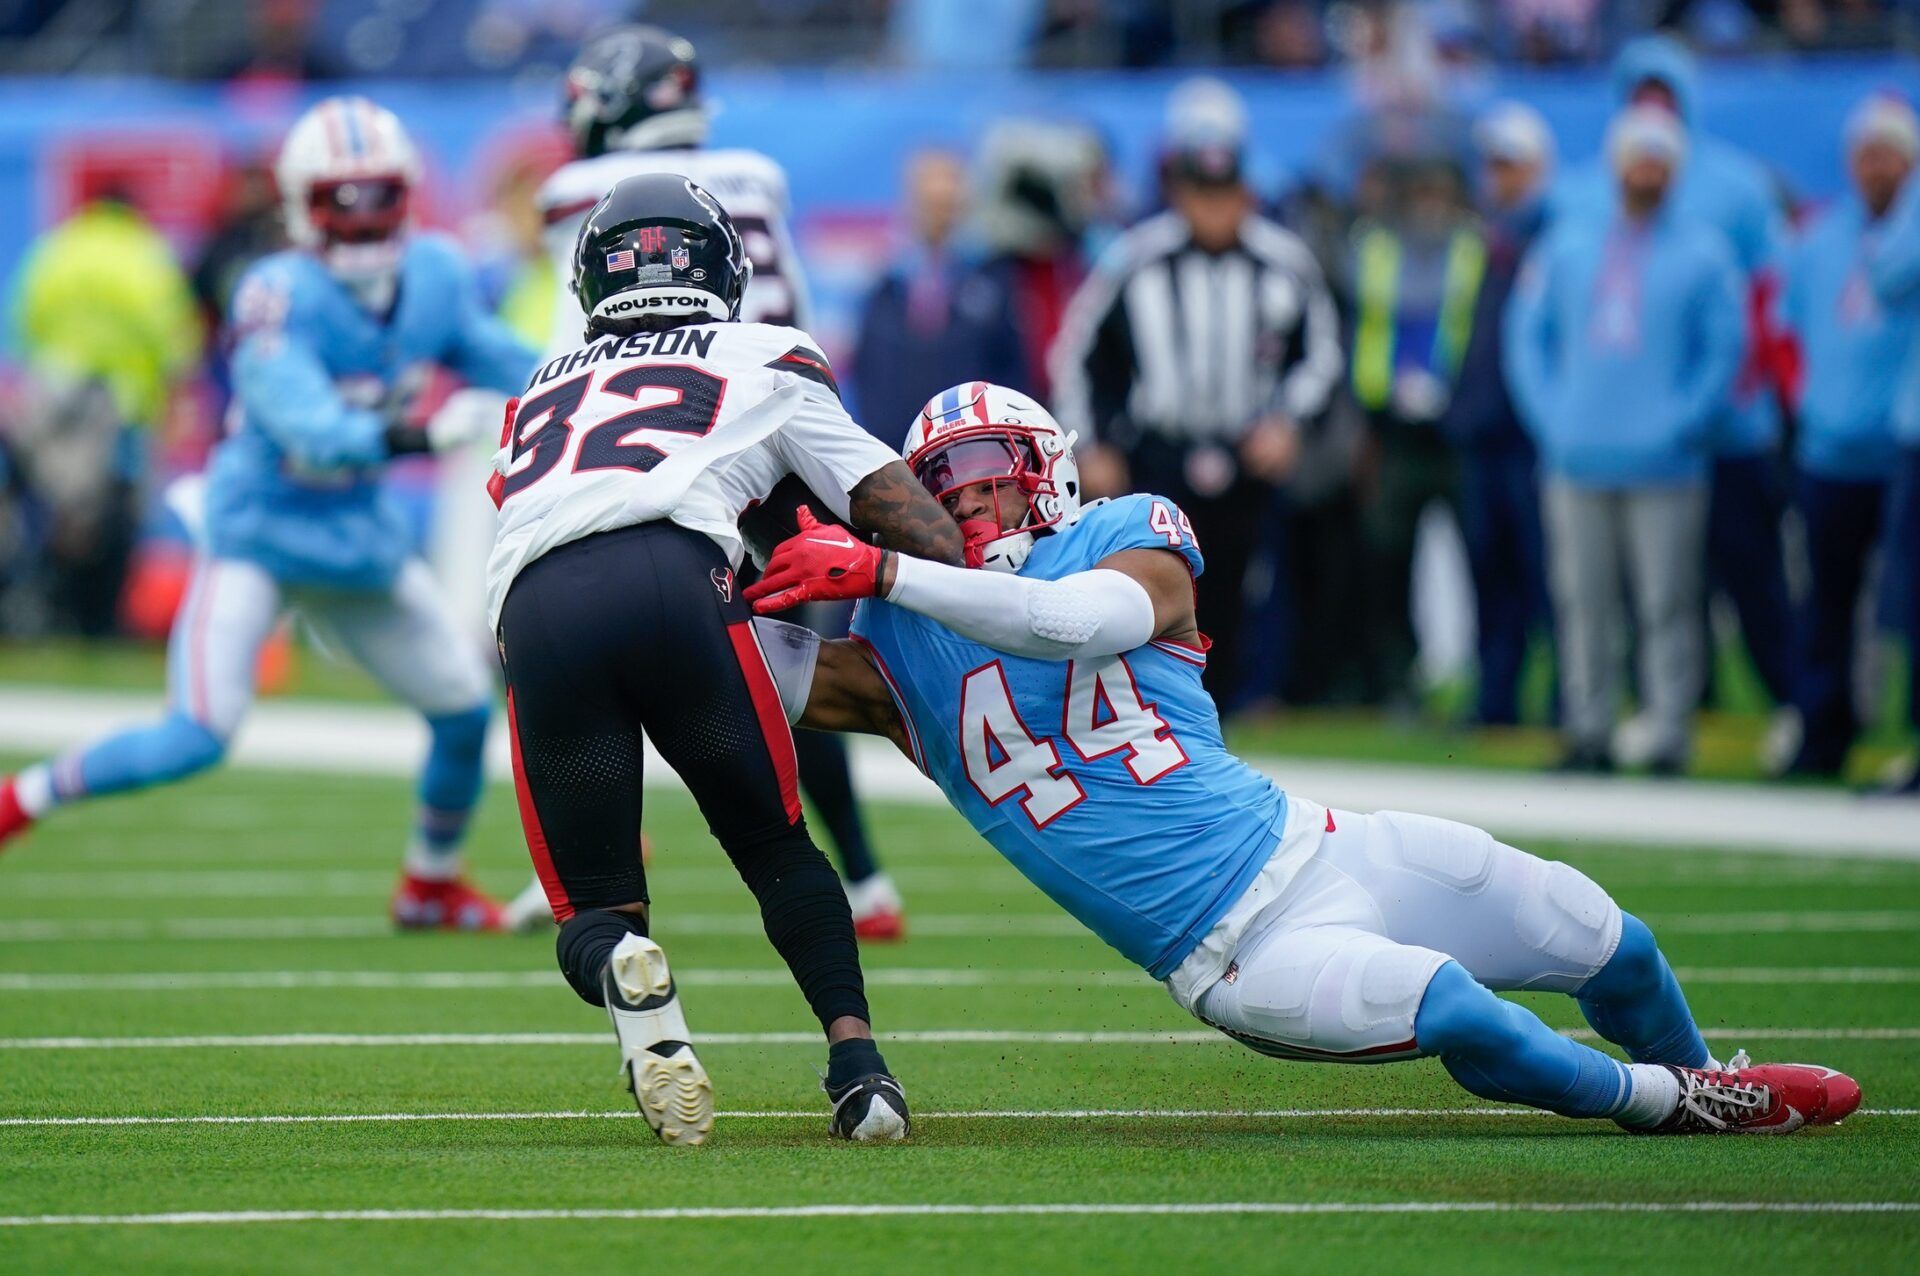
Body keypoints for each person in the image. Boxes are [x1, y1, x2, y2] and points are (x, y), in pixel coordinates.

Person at [740, 379, 1861, 1136]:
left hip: (1324, 847)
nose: (968, 498)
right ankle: (1670, 1102)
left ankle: (1712, 1066)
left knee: (1615, 940)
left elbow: (1071, 621)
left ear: (1046, 467)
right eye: (939, 484)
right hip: (1233, 953)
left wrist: (886, 575)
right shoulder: (891, 654)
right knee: (1461, 1011)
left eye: (988, 470)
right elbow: (736, 670)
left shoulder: (1124, 530)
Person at [489, 173, 966, 1144]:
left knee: (593, 910)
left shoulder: (540, 387)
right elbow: (906, 517)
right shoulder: (766, 351)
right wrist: (970, 588)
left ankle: (642, 993)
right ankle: (859, 1068)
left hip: (536, 611)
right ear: (723, 269)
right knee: (774, 844)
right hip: (675, 580)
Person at [0, 98, 534, 930]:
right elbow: (314, 433)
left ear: (407, 193)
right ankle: (17, 800)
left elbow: (500, 353)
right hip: (258, 534)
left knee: (465, 711)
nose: (360, 219)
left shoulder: (434, 272)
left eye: (376, 195)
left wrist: (586, 378)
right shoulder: (275, 293)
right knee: (198, 734)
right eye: (339, 199)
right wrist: (425, 428)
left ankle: (428, 884)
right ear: (301, 202)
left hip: (358, 543)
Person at [503, 23, 905, 936]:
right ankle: (870, 878)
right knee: (786, 660)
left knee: (650, 646)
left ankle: (610, 855)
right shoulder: (756, 175)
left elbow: (593, 325)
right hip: (788, 414)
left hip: (687, 433)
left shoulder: (581, 192)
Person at [1563, 35, 1797, 759]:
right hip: (1614, 435)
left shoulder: (1735, 187)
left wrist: (1732, 402)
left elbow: (1765, 307)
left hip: (1723, 429)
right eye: (1641, 89)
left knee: (1745, 581)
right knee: (1627, 595)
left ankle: (1797, 704)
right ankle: (1638, 718)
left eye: (1665, 89)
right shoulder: (1587, 201)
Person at [1051, 134, 1341, 706]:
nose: (1214, 210)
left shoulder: (1282, 262)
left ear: (1246, 196)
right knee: (1147, 585)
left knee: (1240, 591)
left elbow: (1322, 355)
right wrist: (1094, 444)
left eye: (1226, 195)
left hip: (1245, 451)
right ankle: (1142, 710)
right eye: (1202, 195)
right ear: (1181, 197)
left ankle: (1224, 714)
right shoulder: (1137, 259)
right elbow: (1077, 353)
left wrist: (1288, 423)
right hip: (1159, 451)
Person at [1506, 107, 1745, 774]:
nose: (1646, 170)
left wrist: (1684, 423)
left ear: (1674, 169)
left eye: (1658, 158)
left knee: (1667, 600)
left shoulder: (1703, 252)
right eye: (1636, 156)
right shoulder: (1570, 246)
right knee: (1583, 600)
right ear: (1616, 165)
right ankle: (1589, 726)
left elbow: (1724, 351)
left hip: (1667, 462)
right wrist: (1553, 418)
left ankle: (1668, 728)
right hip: (1577, 455)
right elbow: (1529, 338)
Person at [1780, 95, 1917, 778]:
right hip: (1830, 448)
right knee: (1825, 606)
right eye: (1867, 153)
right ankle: (1822, 734)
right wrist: (1812, 403)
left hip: (1896, 448)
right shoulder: (1819, 240)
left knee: (1901, 607)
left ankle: (1891, 728)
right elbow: (1794, 330)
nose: (1878, 166)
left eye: (1890, 153)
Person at [7, 185, 203, 635]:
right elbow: (174, 335)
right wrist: (174, 398)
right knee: (115, 517)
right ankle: (100, 620)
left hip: (52, 393)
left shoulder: (59, 248)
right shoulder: (145, 254)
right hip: (122, 404)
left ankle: (44, 610)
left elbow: (24, 320)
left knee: (46, 506)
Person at [1442, 102, 1554, 727]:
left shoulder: (1554, 238)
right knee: (1490, 572)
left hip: (1532, 436)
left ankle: (1565, 701)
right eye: (1492, 164)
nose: (1497, 176)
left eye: (1509, 164)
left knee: (1545, 575)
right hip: (1483, 430)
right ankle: (1497, 701)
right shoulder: (1485, 239)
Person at [850, 149, 1024, 451]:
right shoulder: (885, 289)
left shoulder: (994, 283)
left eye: (948, 204)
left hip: (975, 450)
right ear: (912, 205)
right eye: (930, 204)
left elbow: (1012, 370)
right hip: (897, 451)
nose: (939, 215)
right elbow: (867, 373)